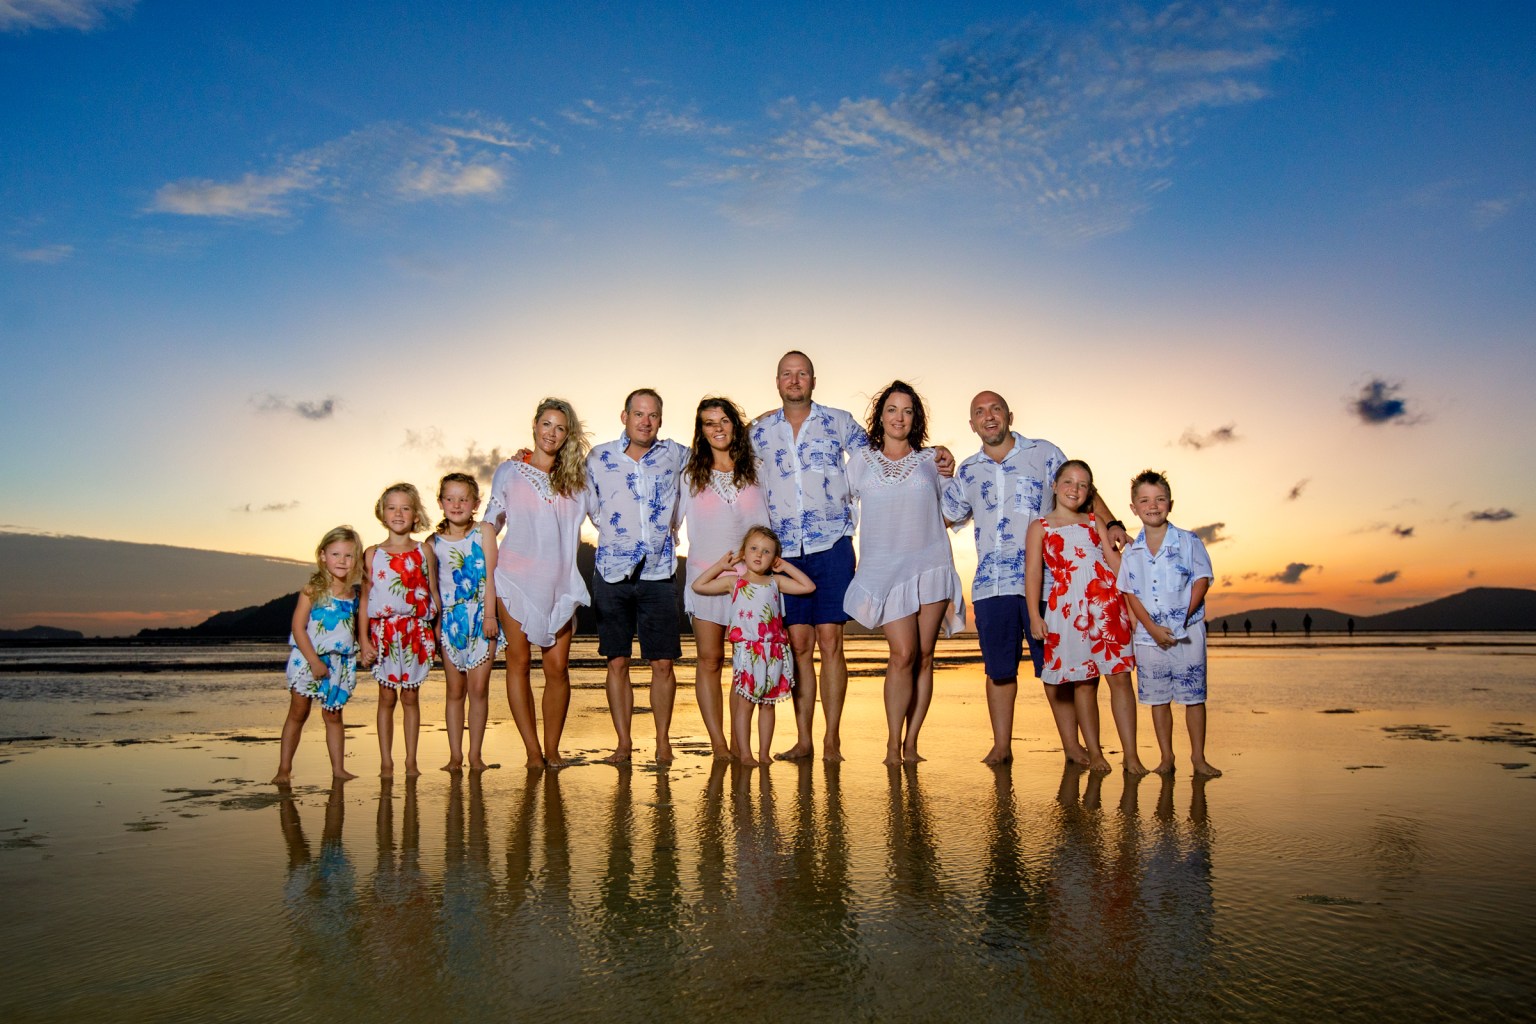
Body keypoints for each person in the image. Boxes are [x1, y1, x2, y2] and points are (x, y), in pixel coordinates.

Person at [942, 390, 1130, 765]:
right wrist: (933, 467)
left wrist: (1112, 525)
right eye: (980, 412)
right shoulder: (967, 470)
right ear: (972, 424)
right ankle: (1001, 746)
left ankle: (1073, 748)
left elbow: (1084, 492)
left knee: (1056, 670)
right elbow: (947, 515)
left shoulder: (1044, 453)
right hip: (991, 585)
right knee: (998, 672)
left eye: (995, 409)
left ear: (1009, 414)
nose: (989, 416)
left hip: (1048, 586)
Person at [844, 380, 964, 765]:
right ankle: (891, 744)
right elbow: (837, 507)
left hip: (930, 563)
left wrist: (951, 469)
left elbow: (956, 509)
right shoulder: (861, 462)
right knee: (903, 654)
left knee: (925, 656)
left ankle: (911, 744)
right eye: (892, 410)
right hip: (884, 568)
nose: (899, 417)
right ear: (880, 416)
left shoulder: (931, 460)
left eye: (907, 411)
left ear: (916, 418)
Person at [586, 388, 689, 764]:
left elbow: (721, 457)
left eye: (653, 415)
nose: (645, 422)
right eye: (638, 414)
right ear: (624, 416)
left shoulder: (675, 454)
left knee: (662, 662)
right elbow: (585, 502)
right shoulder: (598, 458)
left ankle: (663, 742)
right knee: (617, 661)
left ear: (660, 419)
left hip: (659, 571)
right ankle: (623, 744)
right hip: (610, 573)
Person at [487, 398, 591, 767]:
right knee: (517, 662)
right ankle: (533, 752)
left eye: (560, 428)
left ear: (568, 435)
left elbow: (606, 509)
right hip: (514, 578)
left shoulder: (578, 479)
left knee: (558, 669)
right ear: (535, 425)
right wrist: (485, 581)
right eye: (547, 424)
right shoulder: (510, 470)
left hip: (561, 582)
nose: (552, 433)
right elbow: (491, 523)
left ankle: (552, 750)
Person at [1025, 460, 1144, 775]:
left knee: (1120, 680)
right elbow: (1033, 574)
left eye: (1082, 485)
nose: (1074, 490)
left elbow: (1115, 564)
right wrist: (1034, 616)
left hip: (1107, 606)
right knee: (1084, 683)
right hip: (1067, 612)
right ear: (1054, 485)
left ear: (1089, 491)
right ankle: (1095, 752)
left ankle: (1131, 755)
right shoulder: (1040, 526)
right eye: (1068, 482)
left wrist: (1131, 609)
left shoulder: (1095, 522)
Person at [679, 397, 769, 759]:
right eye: (708, 423)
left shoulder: (757, 470)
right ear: (700, 432)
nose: (717, 428)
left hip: (750, 583)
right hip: (705, 577)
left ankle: (738, 740)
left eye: (724, 421)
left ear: (736, 425)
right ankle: (718, 743)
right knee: (710, 659)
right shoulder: (688, 476)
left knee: (743, 662)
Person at [1116, 470, 1220, 777]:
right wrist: (1150, 628)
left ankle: (1198, 759)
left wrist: (1180, 621)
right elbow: (1130, 594)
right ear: (1134, 507)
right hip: (1148, 638)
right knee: (1158, 700)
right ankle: (1166, 757)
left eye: (1159, 499)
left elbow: (1202, 581)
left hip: (1187, 633)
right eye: (1144, 500)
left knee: (1193, 697)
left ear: (1170, 504)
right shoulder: (1132, 552)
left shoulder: (1188, 541)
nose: (1153, 505)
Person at [691, 526, 815, 765]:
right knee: (746, 704)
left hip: (774, 652)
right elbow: (699, 586)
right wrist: (720, 566)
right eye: (754, 549)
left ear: (774, 558)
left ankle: (764, 753)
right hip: (747, 653)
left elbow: (807, 587)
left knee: (768, 705)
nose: (759, 555)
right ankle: (746, 753)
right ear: (744, 553)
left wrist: (786, 566)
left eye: (767, 552)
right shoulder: (734, 583)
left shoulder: (775, 582)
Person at [360, 483, 440, 778]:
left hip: (416, 631)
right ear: (382, 513)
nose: (398, 513)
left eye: (405, 507)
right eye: (392, 507)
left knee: (410, 698)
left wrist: (437, 634)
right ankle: (385, 762)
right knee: (386, 697)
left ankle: (411, 762)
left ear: (415, 514)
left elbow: (433, 595)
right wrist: (363, 640)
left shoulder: (424, 551)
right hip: (384, 633)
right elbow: (365, 599)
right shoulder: (371, 554)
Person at [273, 526, 365, 783]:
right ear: (323, 555)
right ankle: (283, 770)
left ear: (355, 559)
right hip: (309, 659)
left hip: (340, 663)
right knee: (298, 712)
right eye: (336, 554)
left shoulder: (354, 595)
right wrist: (314, 661)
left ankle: (338, 770)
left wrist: (363, 649)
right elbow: (298, 627)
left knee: (334, 716)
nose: (342, 561)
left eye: (348, 556)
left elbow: (354, 629)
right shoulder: (312, 590)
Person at [431, 473, 504, 772]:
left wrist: (490, 616)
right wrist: (436, 627)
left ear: (475, 504)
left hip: (481, 620)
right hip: (451, 623)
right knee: (454, 691)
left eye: (464, 499)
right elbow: (433, 589)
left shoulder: (485, 531)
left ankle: (475, 756)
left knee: (478, 690)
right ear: (441, 503)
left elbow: (491, 576)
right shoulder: (432, 543)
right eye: (450, 498)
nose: (457, 504)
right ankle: (454, 757)